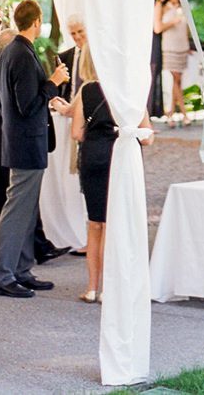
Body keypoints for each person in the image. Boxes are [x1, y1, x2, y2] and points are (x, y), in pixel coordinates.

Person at [0, 0, 66, 298]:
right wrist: (53, 82)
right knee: (16, 210)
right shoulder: (21, 53)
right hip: (26, 144)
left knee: (26, 209)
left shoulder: (12, 52)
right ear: (36, 22)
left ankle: (21, 270)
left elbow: (4, 102)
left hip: (20, 142)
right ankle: (4, 275)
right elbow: (27, 105)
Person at [70, 72, 119, 303]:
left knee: (95, 224)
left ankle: (91, 288)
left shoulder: (86, 90)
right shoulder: (128, 89)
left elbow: (76, 133)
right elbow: (147, 134)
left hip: (92, 156)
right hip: (118, 157)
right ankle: (108, 289)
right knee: (111, 224)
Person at [158, 0, 191, 125]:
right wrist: (173, 21)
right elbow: (158, 28)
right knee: (175, 78)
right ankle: (184, 114)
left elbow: (188, 28)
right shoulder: (163, 7)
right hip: (169, 47)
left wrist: (190, 44)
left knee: (178, 81)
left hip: (182, 46)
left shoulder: (184, 9)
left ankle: (171, 114)